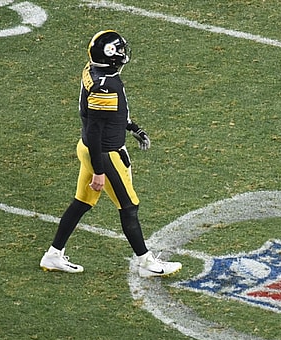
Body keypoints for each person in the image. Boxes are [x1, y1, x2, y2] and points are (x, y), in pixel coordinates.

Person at [40, 30, 181, 277]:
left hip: (89, 147)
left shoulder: (97, 73)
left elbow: (107, 116)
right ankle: (147, 263)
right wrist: (99, 171)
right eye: (120, 50)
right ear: (111, 57)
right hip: (104, 153)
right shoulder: (106, 85)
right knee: (128, 207)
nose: (124, 53)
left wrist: (131, 126)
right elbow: (96, 129)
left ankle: (53, 254)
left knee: (82, 202)